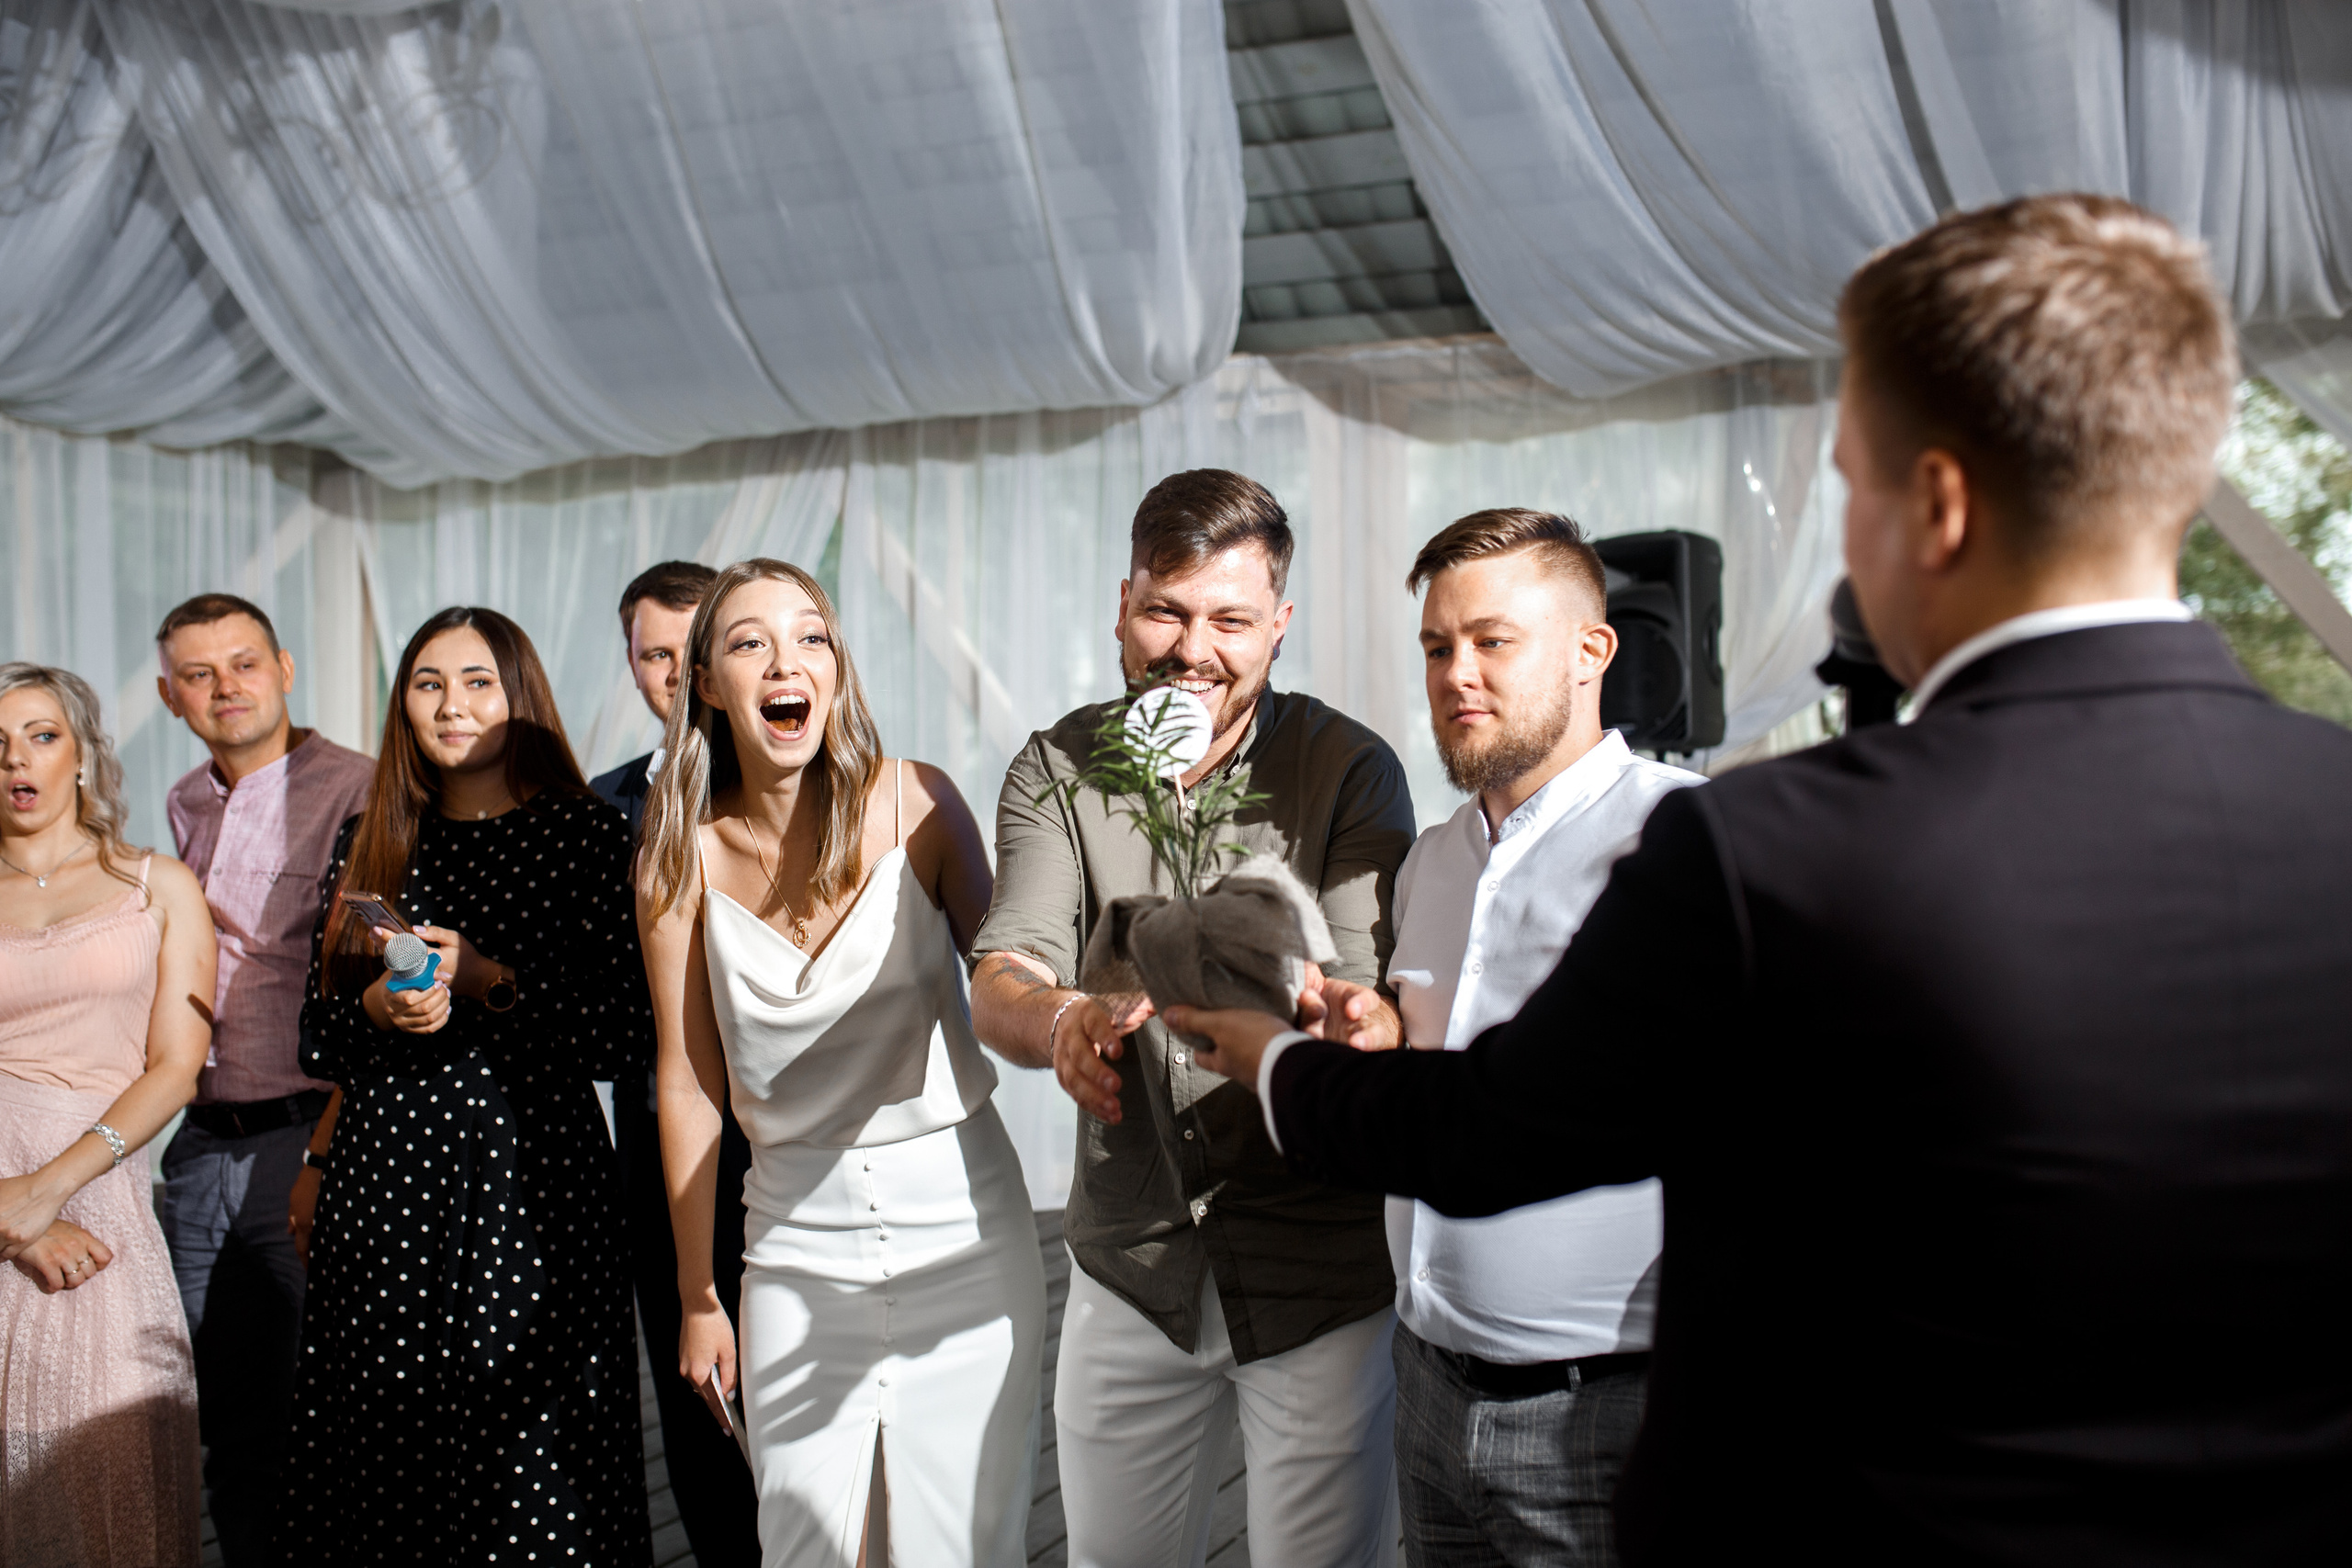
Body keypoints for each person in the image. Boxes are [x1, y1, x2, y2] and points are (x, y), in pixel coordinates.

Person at [1171, 195, 2352, 1566]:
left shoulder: (1769, 850)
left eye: (1851, 482)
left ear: (1939, 504)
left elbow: (1493, 1133)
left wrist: (1261, 1054)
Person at [967, 469, 1418, 1567]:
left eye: (1230, 619)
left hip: (1316, 1262)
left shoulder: (1348, 767)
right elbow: (1006, 967)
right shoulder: (1056, 767)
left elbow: (1364, 988)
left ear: (1279, 625)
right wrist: (1064, 1019)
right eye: (1165, 611)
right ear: (1121, 604)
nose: (1192, 649)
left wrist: (1355, 1020)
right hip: (1135, 1261)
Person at [637, 558, 1045, 1567]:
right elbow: (687, 1082)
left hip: (965, 1230)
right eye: (750, 642)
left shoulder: (920, 805)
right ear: (707, 685)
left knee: (957, 1544)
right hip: (792, 1244)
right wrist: (700, 1296)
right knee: (811, 1544)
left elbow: (1010, 979)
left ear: (836, 666)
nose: (788, 660)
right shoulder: (675, 852)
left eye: (811, 636)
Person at [282, 607, 652, 1562]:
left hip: (531, 1187)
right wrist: (381, 1012)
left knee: (530, 1456)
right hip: (387, 1185)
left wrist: (486, 980)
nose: (452, 706)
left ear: (519, 695)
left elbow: (623, 1034)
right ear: (401, 704)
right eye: (428, 683)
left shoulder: (584, 836)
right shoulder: (371, 836)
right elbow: (318, 1034)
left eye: (478, 681)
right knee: (384, 1452)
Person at [1378, 510, 1701, 1567]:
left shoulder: (1687, 840)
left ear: (1589, 650)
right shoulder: (1427, 862)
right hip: (1422, 1388)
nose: (1456, 672)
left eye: (1492, 640)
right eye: (1436, 646)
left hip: (1603, 1417)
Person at [149, 592, 374, 1563]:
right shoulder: (184, 802)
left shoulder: (361, 791)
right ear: (170, 696)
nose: (224, 688)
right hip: (200, 1139)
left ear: (284, 668)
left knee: (322, 1405)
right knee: (211, 1402)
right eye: (199, 674)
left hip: (310, 1131)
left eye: (243, 664)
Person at [0, 662, 214, 1566]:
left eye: (42, 735)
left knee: (118, 1481)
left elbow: (176, 1068)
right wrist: (13, 1223)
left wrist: (48, 1190)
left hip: (103, 1210)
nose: (18, 759)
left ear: (84, 755)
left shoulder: (158, 886)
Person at [591, 558, 763, 1567]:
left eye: (691, 648)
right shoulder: (601, 807)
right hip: (661, 1140)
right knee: (694, 1384)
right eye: (653, 653)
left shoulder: (815, 789)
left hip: (797, 1134)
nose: (673, 671)